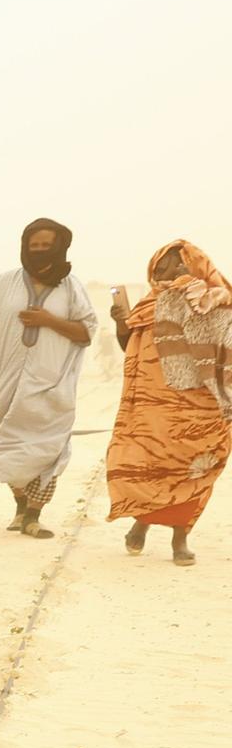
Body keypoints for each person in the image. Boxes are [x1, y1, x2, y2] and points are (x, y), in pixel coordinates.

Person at [106, 241, 232, 565]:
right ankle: (141, 524)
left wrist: (193, 303)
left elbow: (222, 349)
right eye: (163, 267)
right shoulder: (148, 305)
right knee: (152, 466)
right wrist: (122, 322)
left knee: (193, 467)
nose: (172, 271)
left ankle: (180, 539)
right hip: (152, 405)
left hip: (199, 404)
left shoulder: (214, 300)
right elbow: (130, 348)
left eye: (180, 264)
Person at [0, 219, 95, 539]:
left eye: (46, 246)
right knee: (6, 443)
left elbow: (86, 332)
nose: (39, 251)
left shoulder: (72, 288)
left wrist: (49, 321)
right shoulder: (2, 283)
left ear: (60, 248)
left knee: (47, 447)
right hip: (7, 381)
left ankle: (34, 515)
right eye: (34, 246)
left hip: (51, 382)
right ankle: (19, 505)